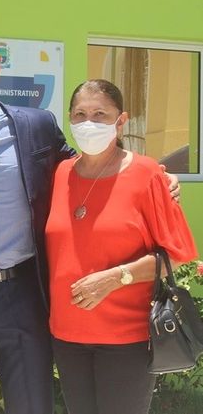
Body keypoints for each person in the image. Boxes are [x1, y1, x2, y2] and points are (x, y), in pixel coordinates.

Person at [0, 31, 181, 414]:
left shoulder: (36, 126)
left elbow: (87, 167)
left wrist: (155, 176)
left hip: (23, 293)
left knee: (32, 404)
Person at [45, 79, 197, 414]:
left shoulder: (147, 174)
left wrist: (115, 278)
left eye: (100, 114)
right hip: (68, 337)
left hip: (126, 339)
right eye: (80, 114)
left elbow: (175, 254)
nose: (89, 122)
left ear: (121, 120)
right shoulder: (59, 174)